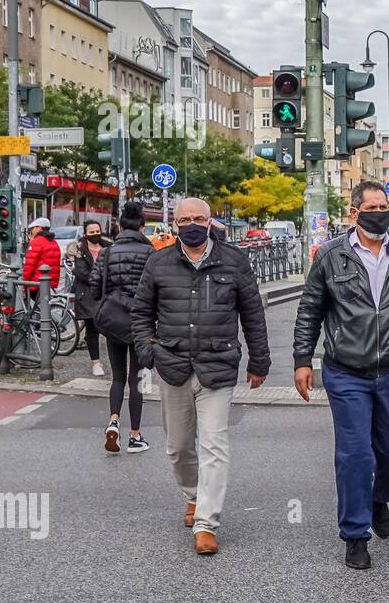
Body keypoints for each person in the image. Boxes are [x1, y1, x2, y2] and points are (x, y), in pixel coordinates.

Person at [293, 181, 389, 570]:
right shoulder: (331, 255)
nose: (379, 213)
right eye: (371, 207)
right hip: (345, 370)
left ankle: (378, 495)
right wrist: (303, 358)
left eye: (384, 206)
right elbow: (310, 310)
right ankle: (355, 535)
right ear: (354, 213)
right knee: (354, 454)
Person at [131, 196, 270, 557]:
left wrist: (260, 361)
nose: (192, 224)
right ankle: (193, 496)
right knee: (178, 447)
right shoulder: (159, 261)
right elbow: (140, 312)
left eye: (199, 218)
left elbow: (252, 313)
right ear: (175, 224)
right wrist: (149, 352)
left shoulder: (234, 261)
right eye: (185, 219)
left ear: (211, 222)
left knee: (214, 445)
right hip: (172, 365)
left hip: (218, 364)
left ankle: (206, 523)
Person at [90, 202, 154, 454]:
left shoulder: (106, 253)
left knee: (117, 377)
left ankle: (113, 421)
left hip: (114, 321)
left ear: (118, 225)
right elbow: (157, 290)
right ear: (142, 226)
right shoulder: (150, 253)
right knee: (137, 377)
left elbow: (95, 288)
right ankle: (135, 436)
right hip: (141, 323)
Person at [70, 220, 108, 377]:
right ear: (85, 234)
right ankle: (96, 363)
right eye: (91, 232)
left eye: (97, 231)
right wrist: (101, 278)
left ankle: (114, 360)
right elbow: (81, 272)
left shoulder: (108, 247)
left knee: (109, 327)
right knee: (92, 330)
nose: (95, 234)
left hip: (107, 293)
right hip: (87, 294)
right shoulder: (79, 249)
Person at [22, 217, 62, 300]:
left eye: (32, 228)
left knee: (39, 309)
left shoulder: (37, 242)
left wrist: (24, 283)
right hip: (51, 283)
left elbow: (29, 266)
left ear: (39, 228)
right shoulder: (53, 242)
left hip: (38, 284)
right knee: (46, 308)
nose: (31, 231)